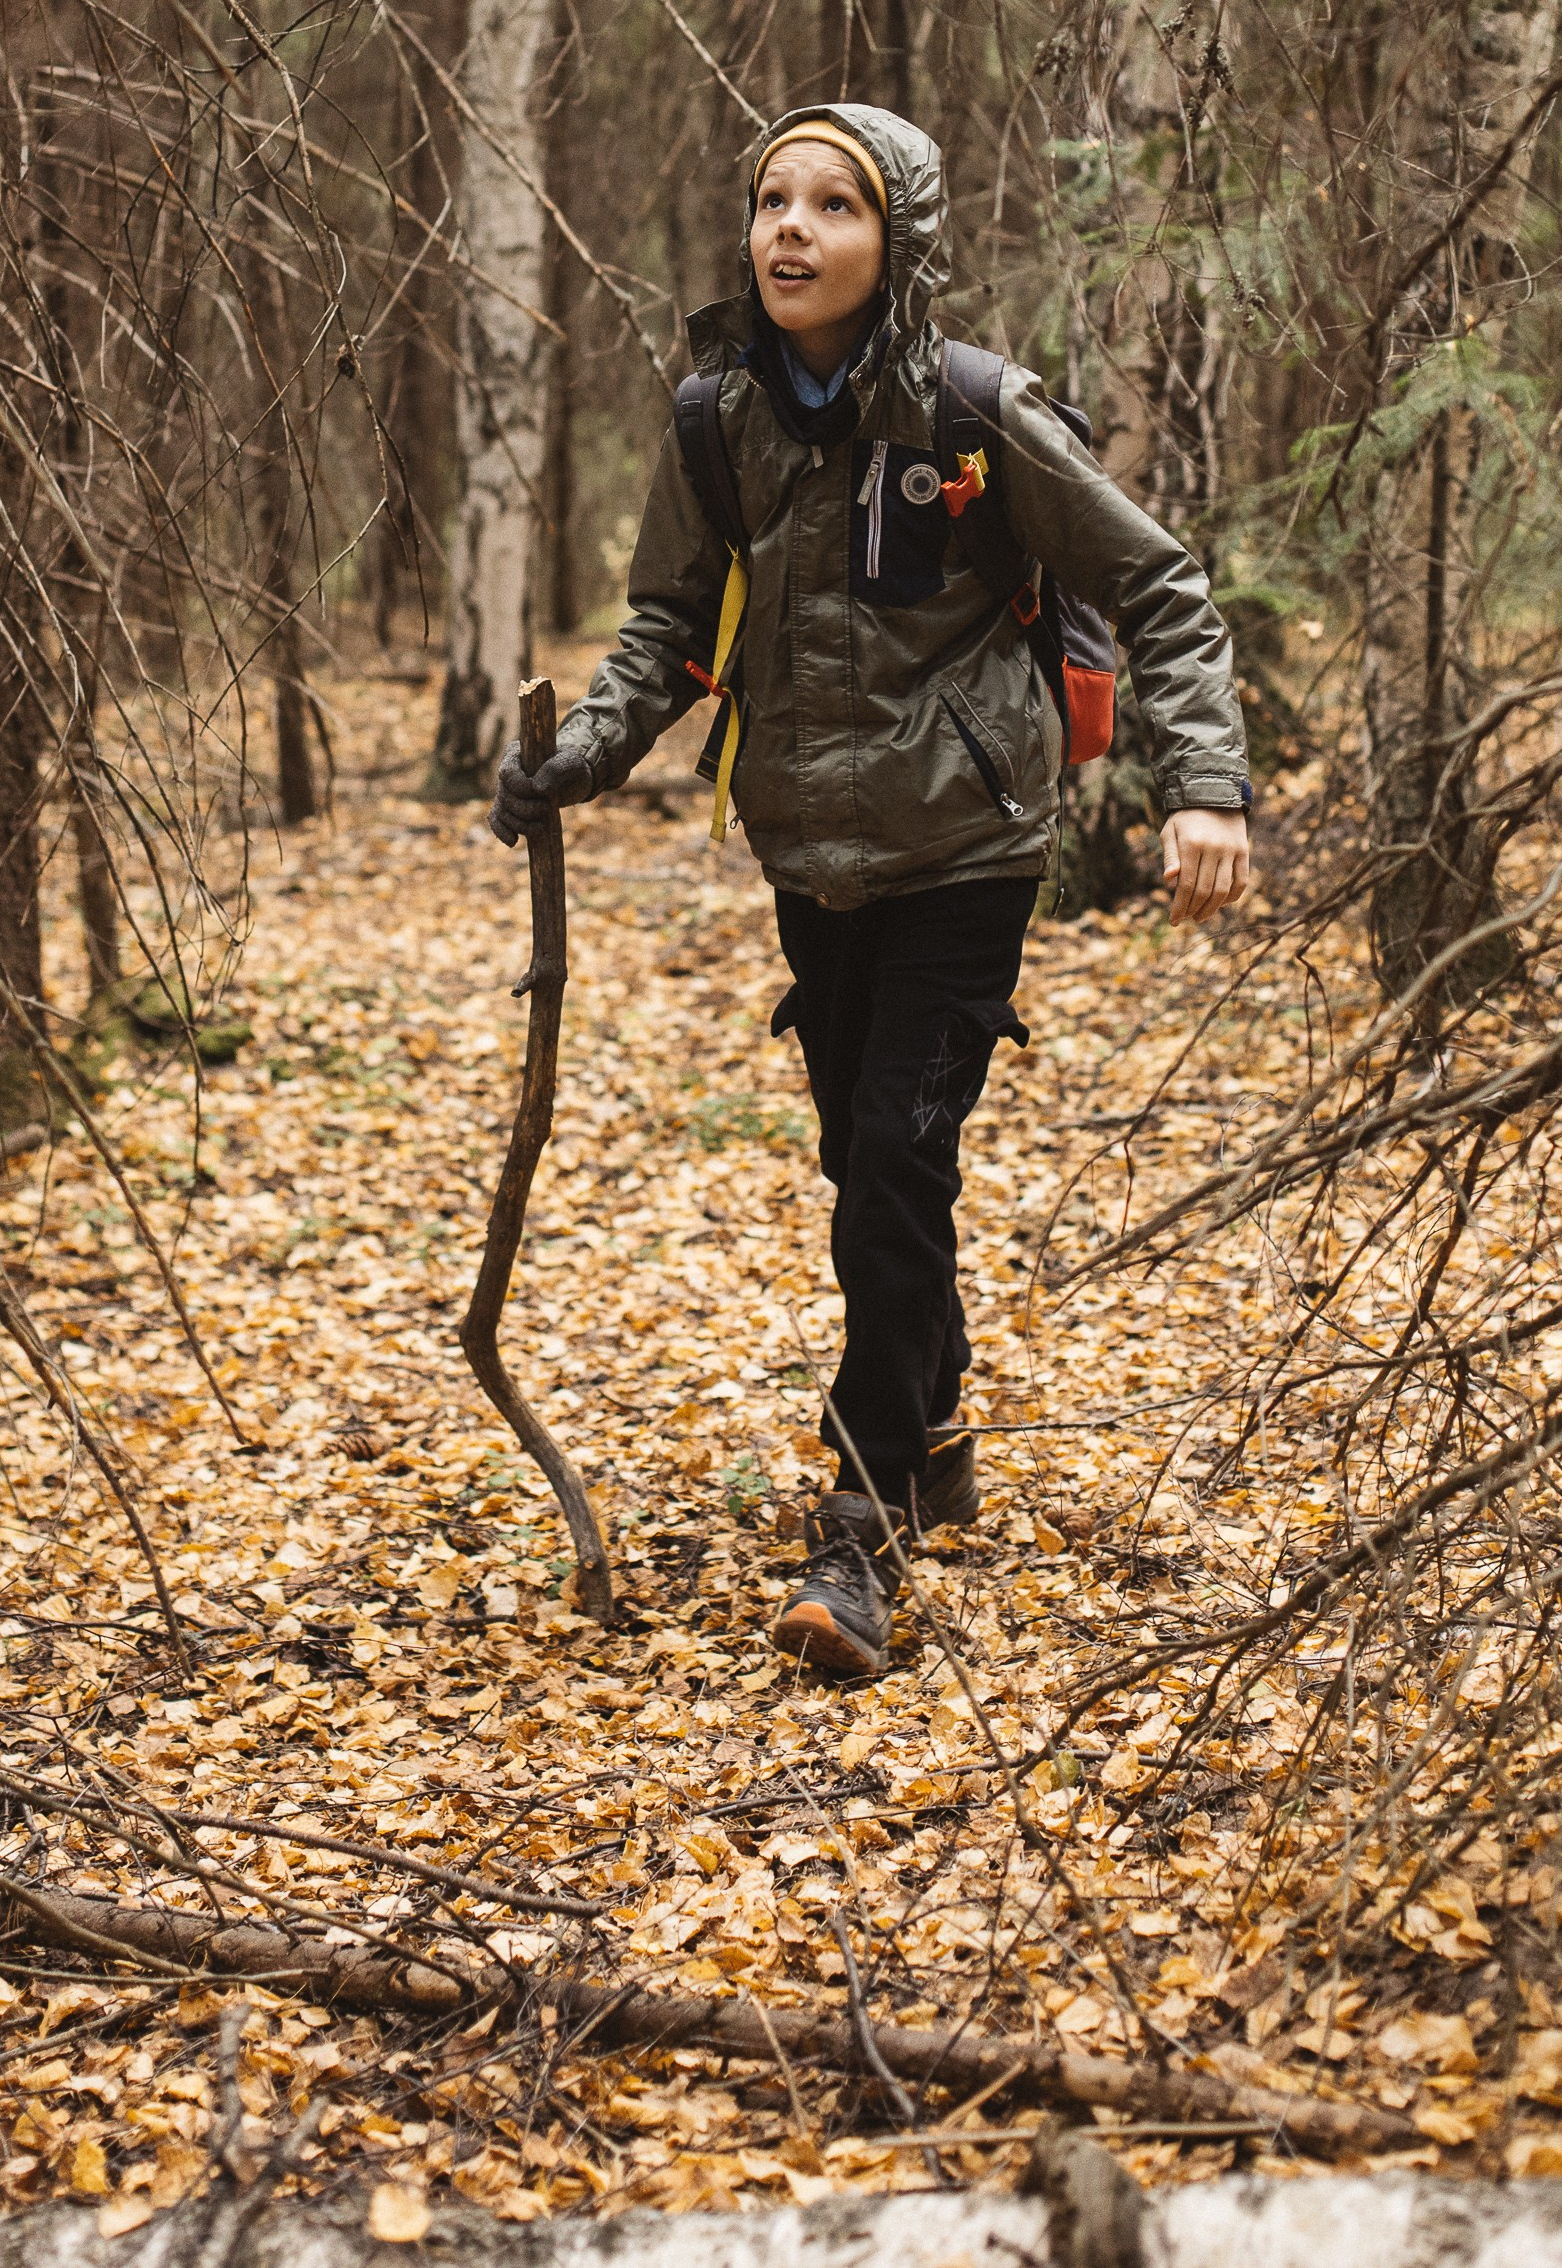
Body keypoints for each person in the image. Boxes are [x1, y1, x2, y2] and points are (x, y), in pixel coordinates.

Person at [488, 103, 1251, 1682]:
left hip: (969, 846)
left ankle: (859, 1527)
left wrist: (1209, 791)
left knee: (894, 1163)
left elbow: (1160, 584)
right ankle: (942, 1424)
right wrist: (583, 755)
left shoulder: (980, 413)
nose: (791, 230)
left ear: (894, 236)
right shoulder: (719, 417)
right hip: (812, 852)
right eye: (772, 199)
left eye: (832, 204)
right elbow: (670, 629)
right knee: (862, 1160)